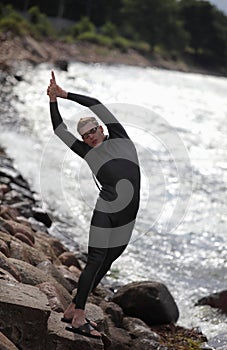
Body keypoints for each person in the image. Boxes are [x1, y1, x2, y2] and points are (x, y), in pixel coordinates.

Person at [47, 71, 141, 339]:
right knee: (96, 259)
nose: (90, 137)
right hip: (106, 210)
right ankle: (79, 316)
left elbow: (96, 104)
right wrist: (52, 102)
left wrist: (64, 94)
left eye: (92, 131)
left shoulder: (120, 137)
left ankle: (72, 307)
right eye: (85, 135)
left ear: (102, 129)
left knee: (107, 262)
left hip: (128, 217)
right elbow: (58, 130)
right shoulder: (87, 152)